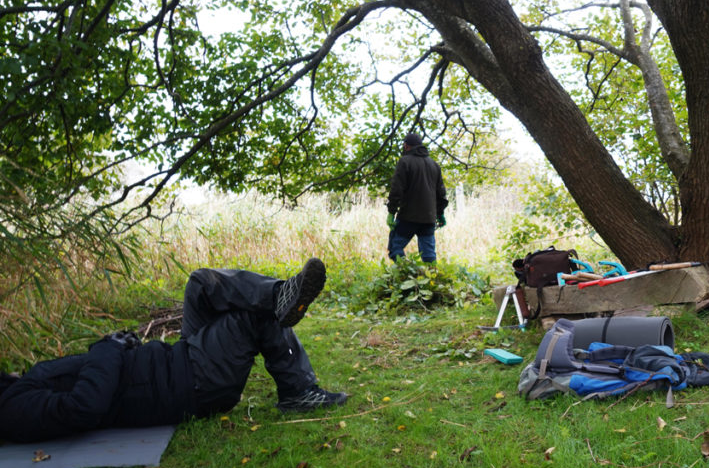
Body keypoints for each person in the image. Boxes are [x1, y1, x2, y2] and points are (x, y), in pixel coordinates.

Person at [0, 258, 347, 443]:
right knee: (252, 316)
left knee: (200, 283)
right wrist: (106, 348)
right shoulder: (12, 407)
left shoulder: (19, 391)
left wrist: (124, 349)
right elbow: (84, 407)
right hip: (190, 382)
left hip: (177, 364)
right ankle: (298, 391)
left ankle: (280, 295)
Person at [386, 131, 448, 263]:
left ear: (407, 146)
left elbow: (397, 190)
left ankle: (406, 275)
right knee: (429, 255)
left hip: (408, 217)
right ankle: (432, 280)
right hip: (429, 218)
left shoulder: (405, 162)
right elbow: (441, 193)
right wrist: (440, 213)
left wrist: (391, 212)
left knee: (395, 247)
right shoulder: (434, 165)